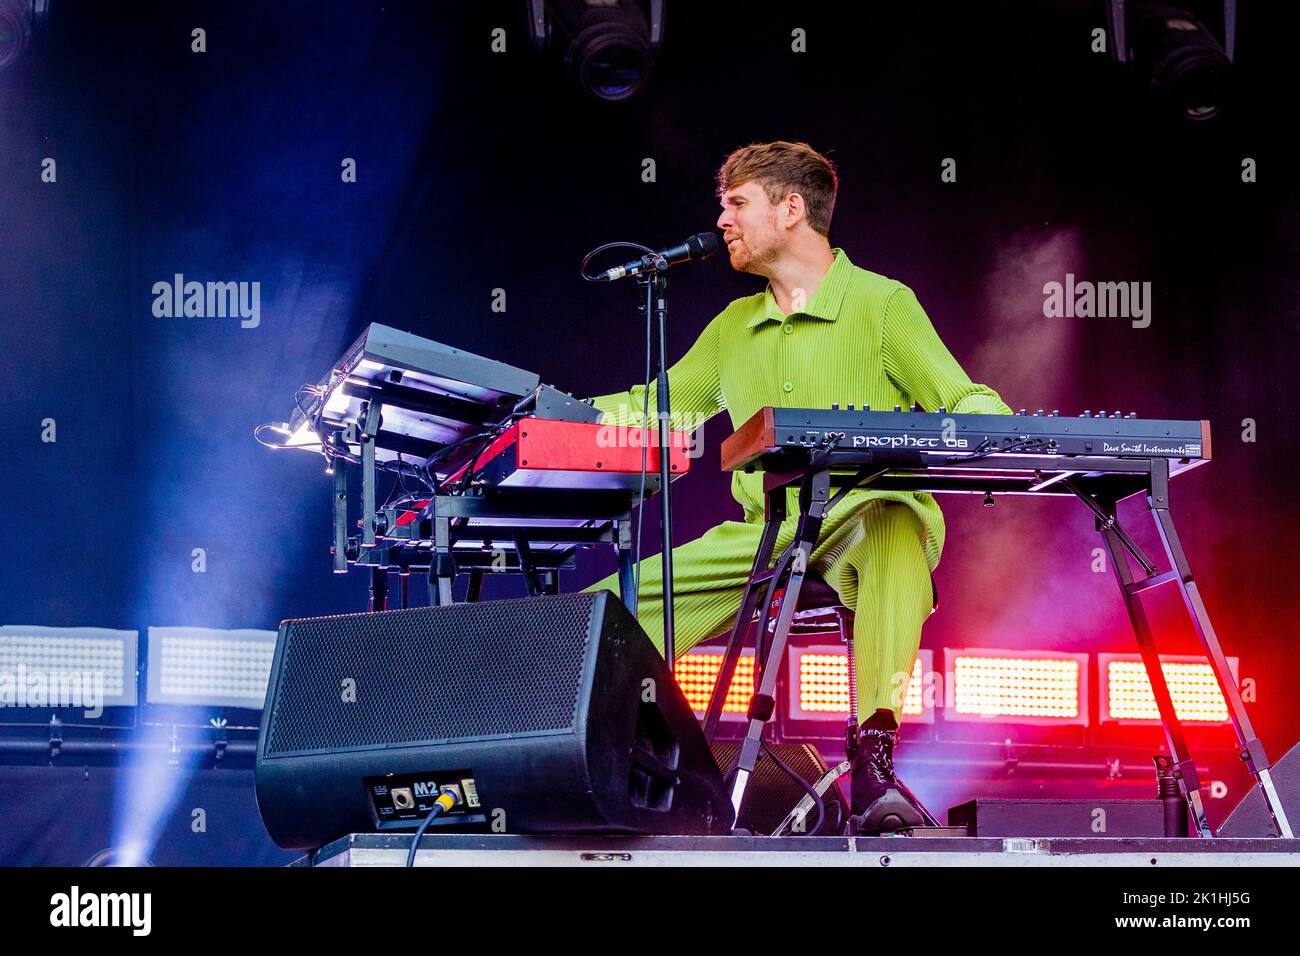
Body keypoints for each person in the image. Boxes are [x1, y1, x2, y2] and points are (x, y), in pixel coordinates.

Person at [583, 141, 1012, 832]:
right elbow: (656, 407)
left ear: (790, 209)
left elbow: (963, 395)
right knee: (600, 611)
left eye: (736, 204)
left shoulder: (882, 305)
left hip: (863, 515)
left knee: (893, 528)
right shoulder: (732, 328)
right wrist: (541, 411)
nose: (722, 220)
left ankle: (873, 754)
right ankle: (600, 758)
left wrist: (1003, 430)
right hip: (765, 535)